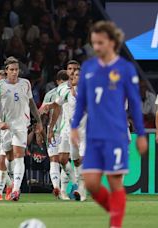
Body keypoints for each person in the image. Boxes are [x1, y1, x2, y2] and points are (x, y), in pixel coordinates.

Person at [71, 21, 147, 228]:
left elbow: (134, 104)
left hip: (115, 133)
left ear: (112, 42)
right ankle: (116, 211)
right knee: (92, 183)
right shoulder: (88, 68)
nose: (95, 47)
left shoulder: (125, 68)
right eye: (93, 43)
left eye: (100, 43)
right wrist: (74, 126)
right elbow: (82, 101)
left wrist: (140, 134)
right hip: (94, 134)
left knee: (114, 182)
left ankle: (115, 224)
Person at [0, 56, 43, 201]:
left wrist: (38, 121)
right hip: (5, 127)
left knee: (19, 155)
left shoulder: (25, 84)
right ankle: (9, 184)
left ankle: (16, 190)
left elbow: (31, 104)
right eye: (11, 70)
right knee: (8, 158)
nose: (14, 72)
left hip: (21, 125)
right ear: (6, 71)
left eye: (16, 70)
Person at [44, 61, 80, 200]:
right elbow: (50, 110)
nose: (71, 72)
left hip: (75, 129)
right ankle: (58, 188)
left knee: (70, 160)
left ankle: (66, 189)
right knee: (58, 159)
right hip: (59, 130)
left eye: (75, 69)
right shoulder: (56, 91)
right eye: (69, 69)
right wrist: (47, 129)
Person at [39, 70, 68, 199]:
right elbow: (43, 113)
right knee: (61, 161)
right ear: (57, 82)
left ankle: (57, 187)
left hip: (57, 131)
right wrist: (40, 131)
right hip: (58, 131)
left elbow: (42, 114)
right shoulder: (65, 93)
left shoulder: (51, 94)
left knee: (55, 160)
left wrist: (40, 130)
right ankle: (60, 189)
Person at [68, 68, 87, 201]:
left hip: (86, 130)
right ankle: (79, 186)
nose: (75, 77)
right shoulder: (66, 91)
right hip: (72, 132)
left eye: (78, 75)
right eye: (74, 75)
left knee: (83, 158)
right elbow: (57, 104)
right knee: (76, 160)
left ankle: (82, 191)